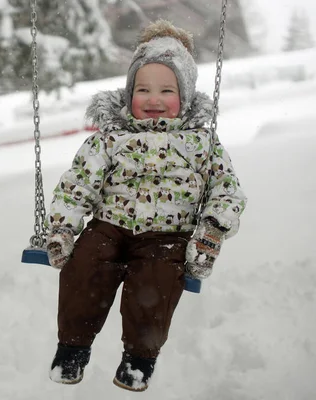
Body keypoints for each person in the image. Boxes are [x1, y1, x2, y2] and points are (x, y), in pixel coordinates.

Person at [45, 20, 247, 392]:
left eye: (166, 90)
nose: (153, 99)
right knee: (85, 264)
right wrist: (62, 227)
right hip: (109, 226)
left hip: (167, 236)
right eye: (143, 89)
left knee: (155, 284)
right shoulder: (110, 138)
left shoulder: (201, 143)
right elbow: (77, 185)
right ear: (129, 94)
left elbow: (227, 191)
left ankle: (139, 360)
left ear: (184, 96)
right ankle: (72, 348)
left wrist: (211, 230)